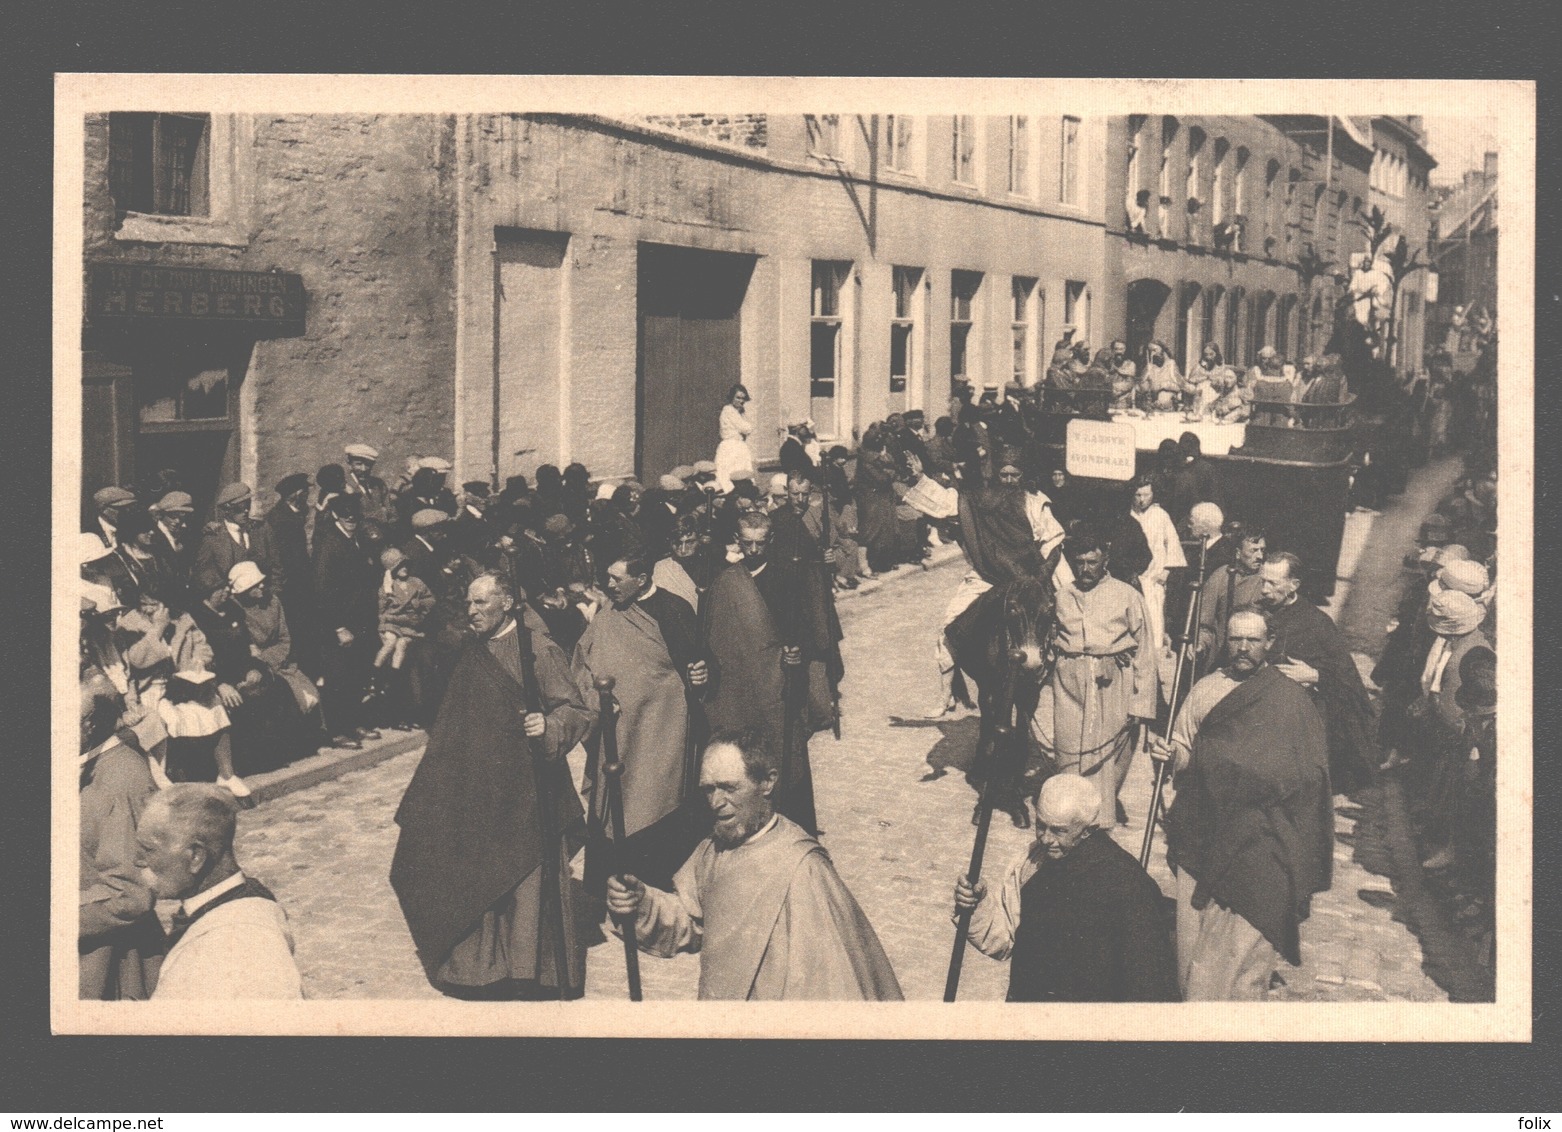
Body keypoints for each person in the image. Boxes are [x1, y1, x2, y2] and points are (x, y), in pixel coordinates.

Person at [391, 572, 595, 999]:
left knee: (526, 878)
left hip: (527, 790)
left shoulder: (536, 648)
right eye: (469, 603)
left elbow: (575, 710)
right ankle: (480, 970)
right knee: (474, 872)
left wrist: (551, 724)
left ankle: (529, 971)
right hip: (479, 787)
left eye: (482, 603)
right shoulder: (473, 650)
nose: (472, 611)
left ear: (507, 603)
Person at [604, 727, 903, 1000]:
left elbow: (828, 985)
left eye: (729, 788)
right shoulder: (712, 849)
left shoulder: (802, 868)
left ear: (767, 782)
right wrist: (640, 902)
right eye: (709, 789)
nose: (716, 803)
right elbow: (691, 919)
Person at [1150, 609, 1333, 1000]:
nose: (1244, 648)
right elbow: (1184, 747)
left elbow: (1312, 774)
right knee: (1191, 943)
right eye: (1236, 639)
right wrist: (1171, 756)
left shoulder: (1291, 699)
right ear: (1226, 642)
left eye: (1253, 640)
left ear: (1269, 644)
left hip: (1260, 840)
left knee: (1244, 949)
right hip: (1203, 832)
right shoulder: (1205, 689)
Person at [953, 773, 1178, 1001]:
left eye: (1059, 831)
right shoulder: (1032, 862)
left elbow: (1147, 982)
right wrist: (975, 905)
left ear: (1088, 830)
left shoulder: (1126, 884)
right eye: (1041, 826)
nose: (1046, 839)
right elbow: (1003, 940)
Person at [572, 550, 710, 893]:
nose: (609, 584)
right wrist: (596, 701)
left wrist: (703, 675)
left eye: (618, 578)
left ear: (642, 580)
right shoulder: (608, 614)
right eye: (609, 576)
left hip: (663, 735)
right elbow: (580, 667)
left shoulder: (674, 610)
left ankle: (654, 890)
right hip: (618, 733)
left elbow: (702, 664)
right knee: (615, 804)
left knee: (657, 804)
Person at [1032, 523, 1157, 827]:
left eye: (1092, 562)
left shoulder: (1127, 596)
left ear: (1105, 561)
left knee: (1109, 755)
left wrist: (1141, 704)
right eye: (1080, 562)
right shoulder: (1062, 596)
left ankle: (1099, 821)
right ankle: (1067, 817)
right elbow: (1047, 642)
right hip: (1069, 684)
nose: (1085, 568)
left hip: (1113, 682)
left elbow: (1145, 652)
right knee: (1069, 749)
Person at [701, 511, 818, 834]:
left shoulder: (786, 579)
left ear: (771, 541)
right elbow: (714, 640)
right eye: (747, 543)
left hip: (776, 689)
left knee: (784, 765)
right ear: (738, 541)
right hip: (739, 690)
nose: (753, 550)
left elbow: (806, 631)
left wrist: (797, 654)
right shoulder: (725, 583)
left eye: (760, 544)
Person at [137, 784, 304, 999]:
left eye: (149, 850)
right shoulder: (245, 898)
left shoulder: (237, 941)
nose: (137, 860)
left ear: (196, 857)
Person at [1259, 551, 1377, 797]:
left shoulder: (1317, 623)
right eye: (1263, 581)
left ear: (1294, 585)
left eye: (1273, 583)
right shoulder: (1255, 611)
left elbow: (1348, 681)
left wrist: (1316, 676)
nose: (1264, 590)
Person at [80, 674, 165, 999]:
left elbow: (133, 895)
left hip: (110, 964)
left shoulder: (120, 777)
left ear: (90, 724)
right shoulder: (76, 765)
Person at [312, 494, 380, 750]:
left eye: (354, 515)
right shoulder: (329, 544)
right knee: (337, 678)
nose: (351, 519)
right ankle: (337, 731)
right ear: (335, 516)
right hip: (337, 626)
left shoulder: (358, 541)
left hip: (360, 622)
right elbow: (321, 590)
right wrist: (338, 627)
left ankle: (354, 723)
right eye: (345, 515)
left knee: (357, 675)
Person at [1130, 475, 1186, 686]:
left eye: (1146, 494)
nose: (1141, 499)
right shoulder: (1129, 515)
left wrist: (1166, 572)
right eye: (1137, 495)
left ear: (1153, 494)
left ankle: (1152, 672)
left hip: (1153, 582)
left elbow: (1172, 545)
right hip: (1134, 580)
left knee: (1154, 625)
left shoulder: (1161, 515)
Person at [264, 472, 318, 676]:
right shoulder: (280, 518)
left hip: (300, 583)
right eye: (304, 491)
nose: (307, 495)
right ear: (296, 494)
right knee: (294, 627)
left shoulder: (295, 513)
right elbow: (284, 557)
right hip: (291, 585)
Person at [192, 483, 284, 597]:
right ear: (227, 510)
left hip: (263, 602)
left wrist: (273, 594)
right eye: (239, 508)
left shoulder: (261, 529)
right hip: (231, 605)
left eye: (248, 505)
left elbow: (277, 568)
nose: (245, 511)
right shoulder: (213, 538)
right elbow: (204, 575)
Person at [1196, 524, 1266, 668]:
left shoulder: (1268, 578)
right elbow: (1204, 625)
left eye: (1262, 550)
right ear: (1238, 553)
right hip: (1224, 659)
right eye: (1253, 551)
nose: (1260, 556)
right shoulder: (1221, 577)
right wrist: (1200, 644)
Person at [373, 546, 436, 701]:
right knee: (390, 643)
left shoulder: (416, 583)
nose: (404, 569)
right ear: (392, 570)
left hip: (410, 625)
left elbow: (430, 600)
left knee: (401, 645)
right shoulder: (388, 586)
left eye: (405, 565)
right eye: (399, 567)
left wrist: (419, 608)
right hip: (392, 623)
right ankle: (375, 675)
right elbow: (381, 610)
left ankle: (393, 677)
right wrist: (388, 595)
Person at [343, 442, 396, 542]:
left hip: (380, 537)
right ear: (350, 464)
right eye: (358, 464)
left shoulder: (379, 484)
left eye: (367, 465)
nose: (363, 469)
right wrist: (380, 513)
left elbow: (391, 510)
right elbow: (353, 515)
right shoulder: (344, 486)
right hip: (356, 539)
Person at [714, 384, 757, 494]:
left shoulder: (740, 412)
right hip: (730, 447)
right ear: (732, 397)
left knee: (742, 475)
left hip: (739, 447)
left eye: (743, 398)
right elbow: (746, 428)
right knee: (727, 475)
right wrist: (746, 426)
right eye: (738, 397)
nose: (741, 401)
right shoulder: (728, 410)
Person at [1140, 341, 1183, 410]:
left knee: (1163, 396)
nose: (1153, 354)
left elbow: (1179, 386)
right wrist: (1147, 386)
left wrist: (1164, 385)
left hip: (1167, 403)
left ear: (1163, 350)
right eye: (1150, 351)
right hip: (1151, 402)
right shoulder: (1149, 367)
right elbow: (1141, 386)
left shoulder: (1171, 365)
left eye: (1154, 350)